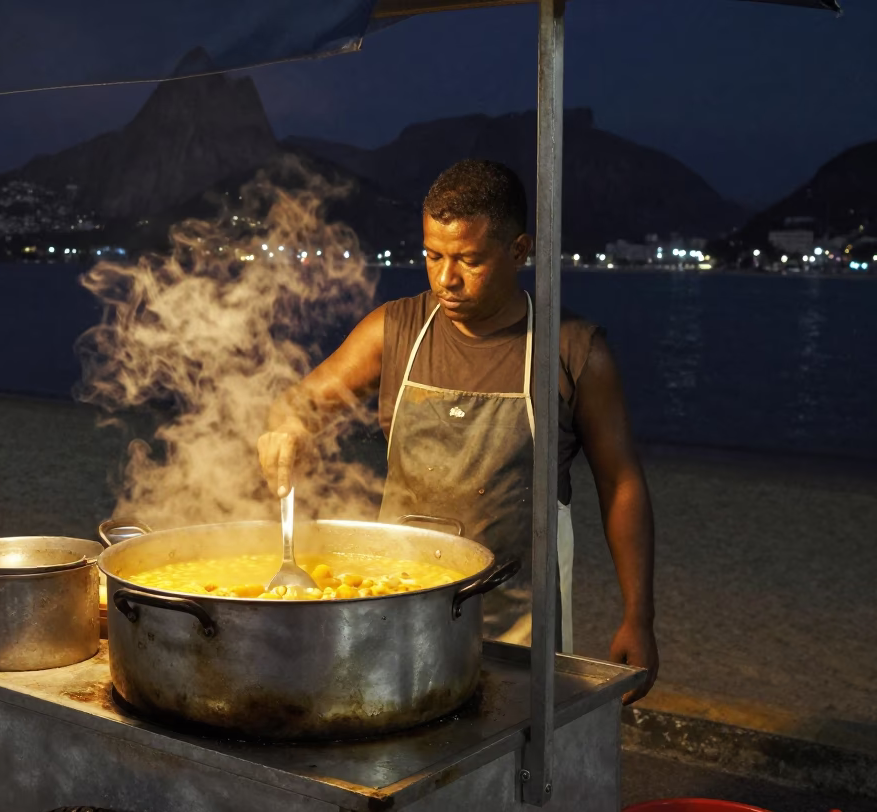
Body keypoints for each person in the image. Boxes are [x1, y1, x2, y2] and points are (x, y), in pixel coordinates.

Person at [258, 159, 658, 703]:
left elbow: (622, 484)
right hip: (392, 608)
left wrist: (638, 616)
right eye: (433, 256)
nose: (446, 278)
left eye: (469, 260)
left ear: (518, 251)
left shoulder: (572, 351)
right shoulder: (392, 330)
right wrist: (286, 431)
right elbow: (299, 402)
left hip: (518, 627)